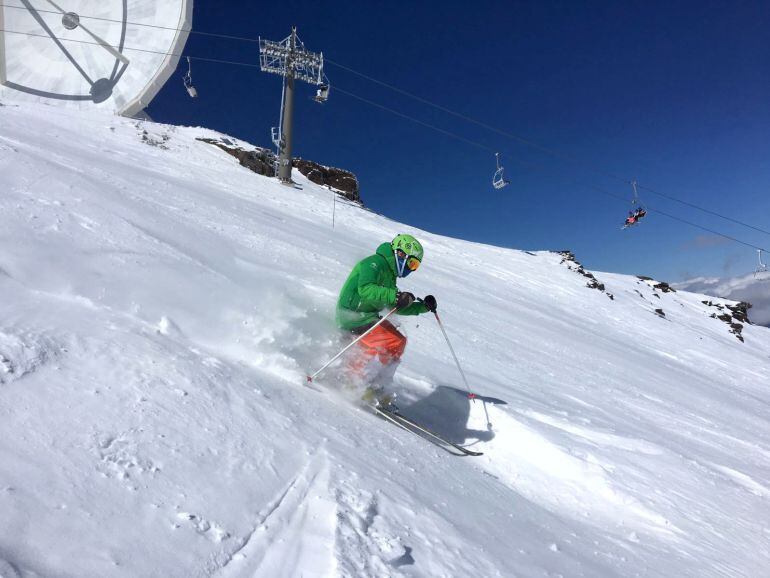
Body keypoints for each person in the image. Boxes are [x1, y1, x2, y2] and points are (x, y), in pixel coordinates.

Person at [335, 234, 437, 406]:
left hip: (366, 317)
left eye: (416, 266)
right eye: (412, 263)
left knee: (399, 341)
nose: (412, 269)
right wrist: (395, 295)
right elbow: (366, 289)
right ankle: (355, 380)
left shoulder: (390, 276)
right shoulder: (373, 263)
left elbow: (395, 306)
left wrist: (423, 306)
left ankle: (376, 383)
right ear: (401, 254)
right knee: (391, 340)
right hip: (351, 315)